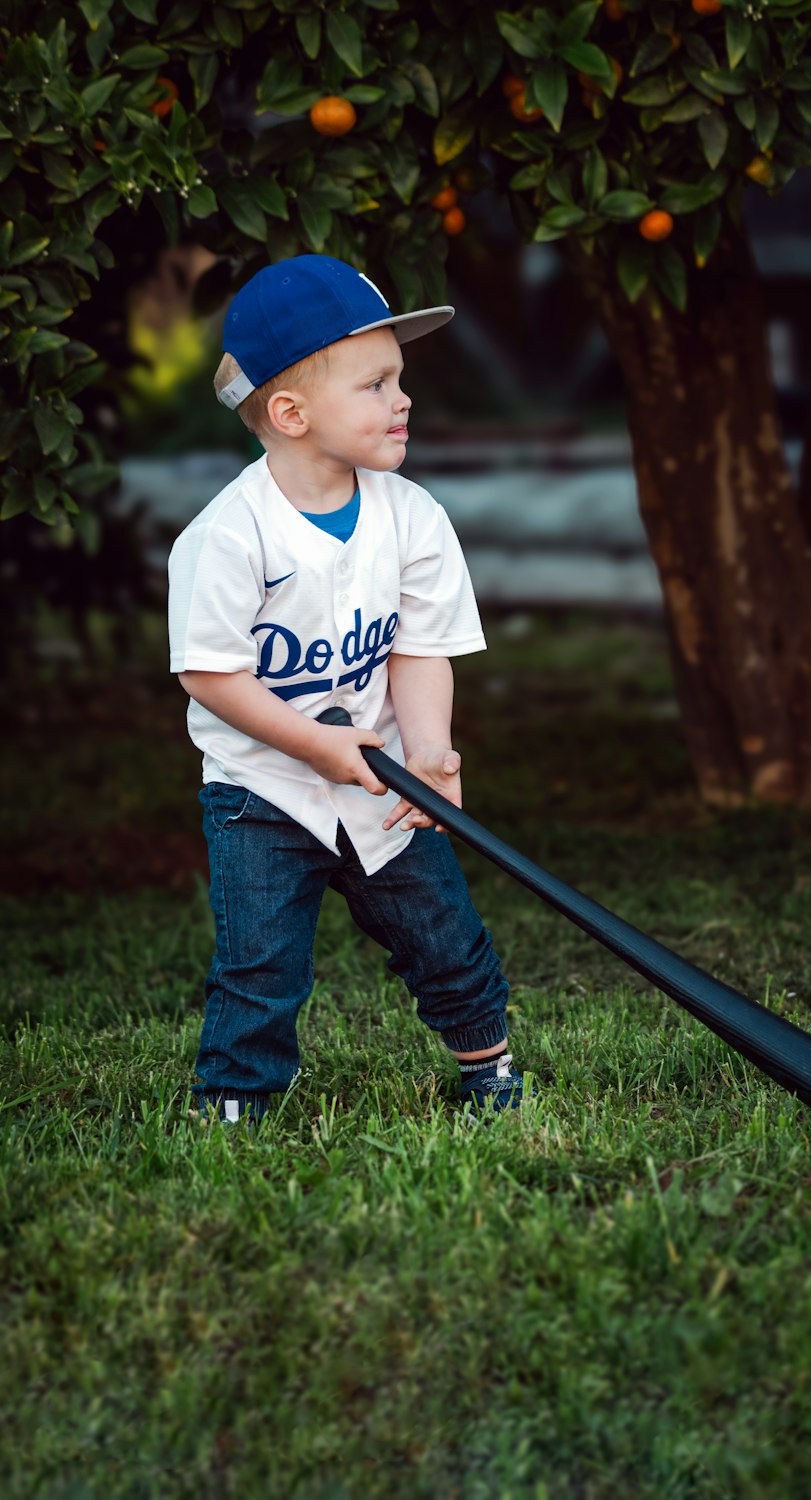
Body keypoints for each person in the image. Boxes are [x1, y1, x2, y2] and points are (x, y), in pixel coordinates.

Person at [167, 254, 529, 1123]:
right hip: (262, 790)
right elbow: (210, 675)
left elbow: (420, 648)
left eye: (399, 379)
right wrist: (317, 745)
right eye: (374, 384)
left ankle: (489, 1068)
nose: (401, 399)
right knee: (260, 962)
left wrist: (432, 750)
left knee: (443, 934)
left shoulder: (412, 517)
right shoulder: (227, 536)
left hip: (385, 779)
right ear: (290, 413)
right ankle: (236, 1102)